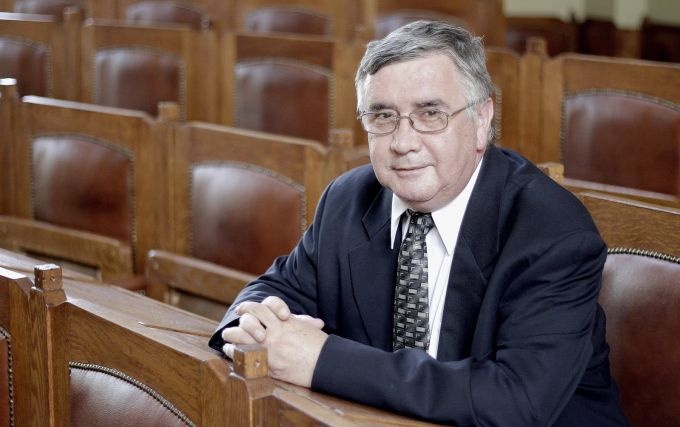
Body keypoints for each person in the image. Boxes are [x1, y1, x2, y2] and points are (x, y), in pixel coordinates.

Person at [209, 21, 628, 426]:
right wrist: (255, 329)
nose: (403, 142)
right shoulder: (348, 199)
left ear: (482, 120)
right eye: (383, 116)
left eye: (430, 114)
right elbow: (273, 290)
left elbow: (515, 402)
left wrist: (320, 360)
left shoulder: (552, 232)